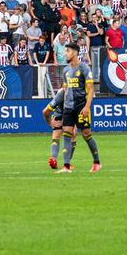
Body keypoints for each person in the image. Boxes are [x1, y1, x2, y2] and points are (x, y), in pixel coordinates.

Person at [57, 42, 100, 173]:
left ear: (75, 52)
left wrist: (87, 106)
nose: (66, 53)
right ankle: (66, 166)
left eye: (68, 51)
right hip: (69, 107)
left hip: (81, 106)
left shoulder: (84, 68)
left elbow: (91, 89)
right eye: (65, 51)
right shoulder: (65, 70)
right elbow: (65, 90)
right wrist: (63, 109)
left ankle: (97, 162)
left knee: (86, 134)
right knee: (67, 134)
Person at [41, 87, 67, 169]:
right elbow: (45, 111)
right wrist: (50, 123)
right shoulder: (60, 94)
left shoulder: (78, 92)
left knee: (72, 135)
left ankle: (67, 162)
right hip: (60, 114)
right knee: (58, 136)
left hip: (71, 115)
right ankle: (54, 160)